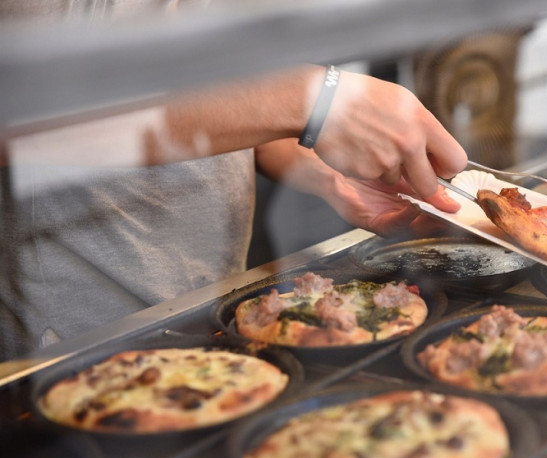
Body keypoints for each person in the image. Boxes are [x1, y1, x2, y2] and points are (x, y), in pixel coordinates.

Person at [0, 63, 468, 361]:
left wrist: (331, 176)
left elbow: (233, 107)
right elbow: (21, 110)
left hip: (218, 306)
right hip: (74, 341)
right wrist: (312, 102)